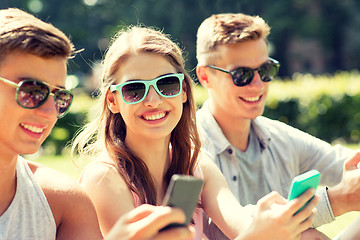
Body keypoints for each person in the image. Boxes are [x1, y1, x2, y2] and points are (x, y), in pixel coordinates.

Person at [72, 25, 323, 240]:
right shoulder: (105, 179)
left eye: (166, 84)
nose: (153, 101)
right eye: (134, 90)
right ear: (112, 101)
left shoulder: (195, 162)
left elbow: (240, 227)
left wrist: (269, 223)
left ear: (183, 91)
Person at [0, 7, 195, 240]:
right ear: (112, 100)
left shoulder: (63, 201)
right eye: (32, 92)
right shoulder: (97, 181)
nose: (50, 112)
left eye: (59, 97)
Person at [195, 12, 360, 238]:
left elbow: (339, 161)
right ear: (205, 77)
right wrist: (337, 201)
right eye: (241, 75)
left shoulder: (278, 136)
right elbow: (233, 232)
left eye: (265, 70)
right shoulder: (190, 148)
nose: (258, 85)